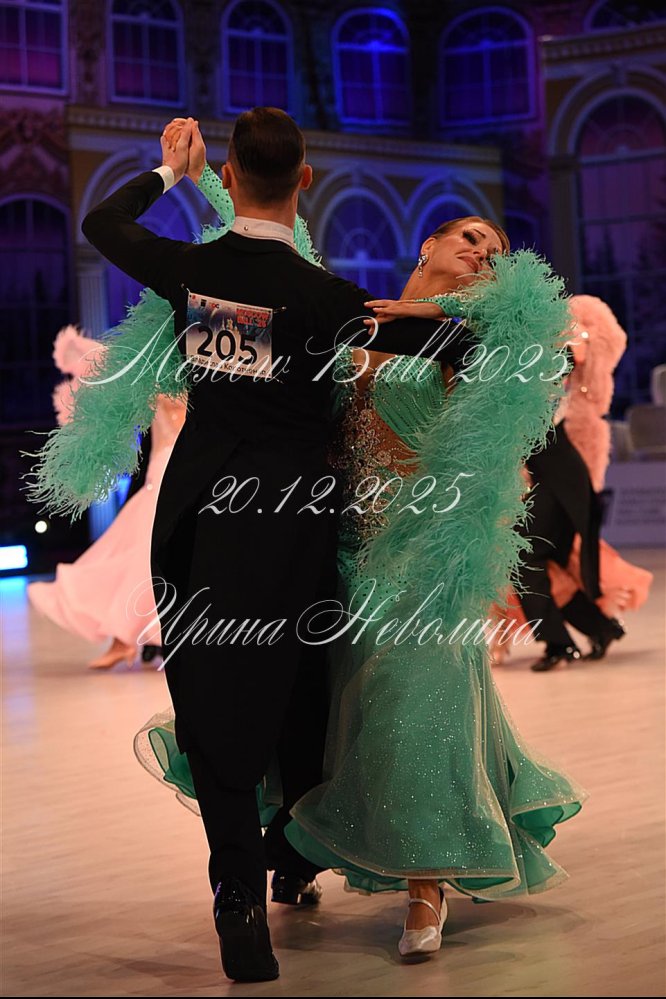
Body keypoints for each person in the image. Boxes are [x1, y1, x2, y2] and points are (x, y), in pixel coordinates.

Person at [131, 119, 586, 960]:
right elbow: (264, 254)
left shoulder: (463, 337)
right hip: (337, 544)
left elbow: (525, 336)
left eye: (494, 251)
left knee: (418, 699)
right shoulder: (349, 309)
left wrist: (431, 311)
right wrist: (203, 181)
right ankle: (298, 847)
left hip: (420, 553)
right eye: (469, 237)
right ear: (428, 243)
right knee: (322, 711)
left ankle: (426, 883)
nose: (482, 252)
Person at [75, 109, 480, 982]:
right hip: (296, 525)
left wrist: (170, 173)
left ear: (227, 173)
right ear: (306, 180)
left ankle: (241, 897)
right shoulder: (329, 300)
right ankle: (292, 851)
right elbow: (463, 342)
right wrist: (426, 305)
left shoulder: (191, 270)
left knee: (214, 710)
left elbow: (102, 222)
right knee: (298, 700)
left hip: (199, 523)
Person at [490, 295, 653, 667]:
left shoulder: (547, 362)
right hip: (548, 480)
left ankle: (559, 644)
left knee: (525, 555)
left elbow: (570, 355)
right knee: (547, 563)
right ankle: (599, 628)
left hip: (563, 482)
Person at [27, 325, 185, 668]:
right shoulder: (156, 377)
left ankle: (131, 639)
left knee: (147, 554)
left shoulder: (174, 378)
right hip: (163, 472)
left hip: (177, 471)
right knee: (139, 553)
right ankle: (128, 638)